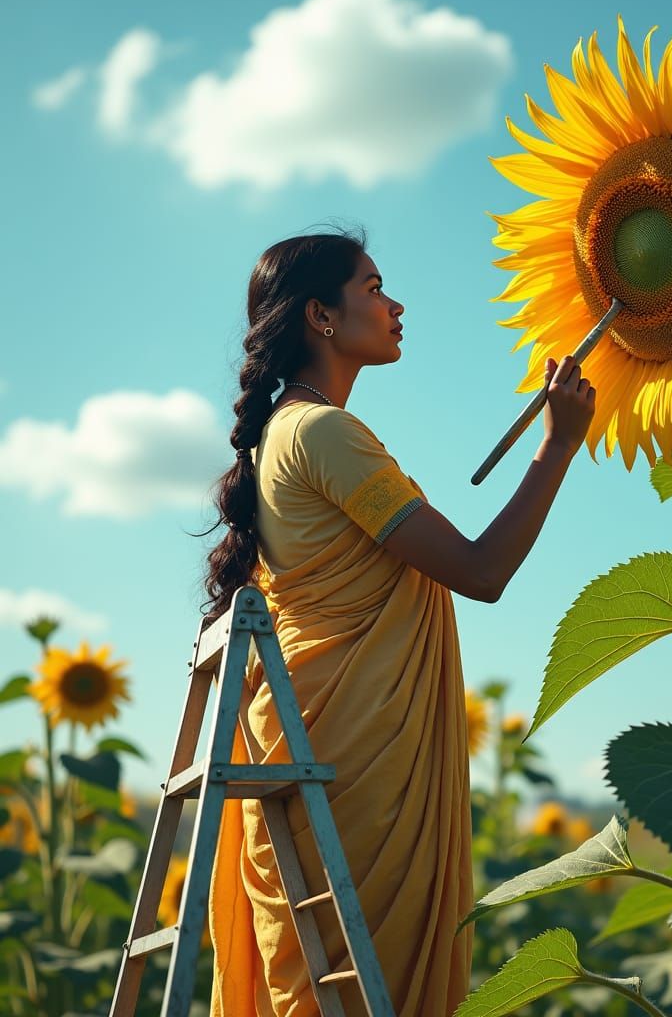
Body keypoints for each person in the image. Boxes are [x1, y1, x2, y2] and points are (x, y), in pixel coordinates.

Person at [197, 228, 596, 1017]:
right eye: (374, 288)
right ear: (320, 315)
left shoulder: (290, 431)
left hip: (323, 735)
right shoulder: (323, 433)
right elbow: (481, 572)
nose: (395, 304)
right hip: (351, 757)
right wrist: (558, 446)